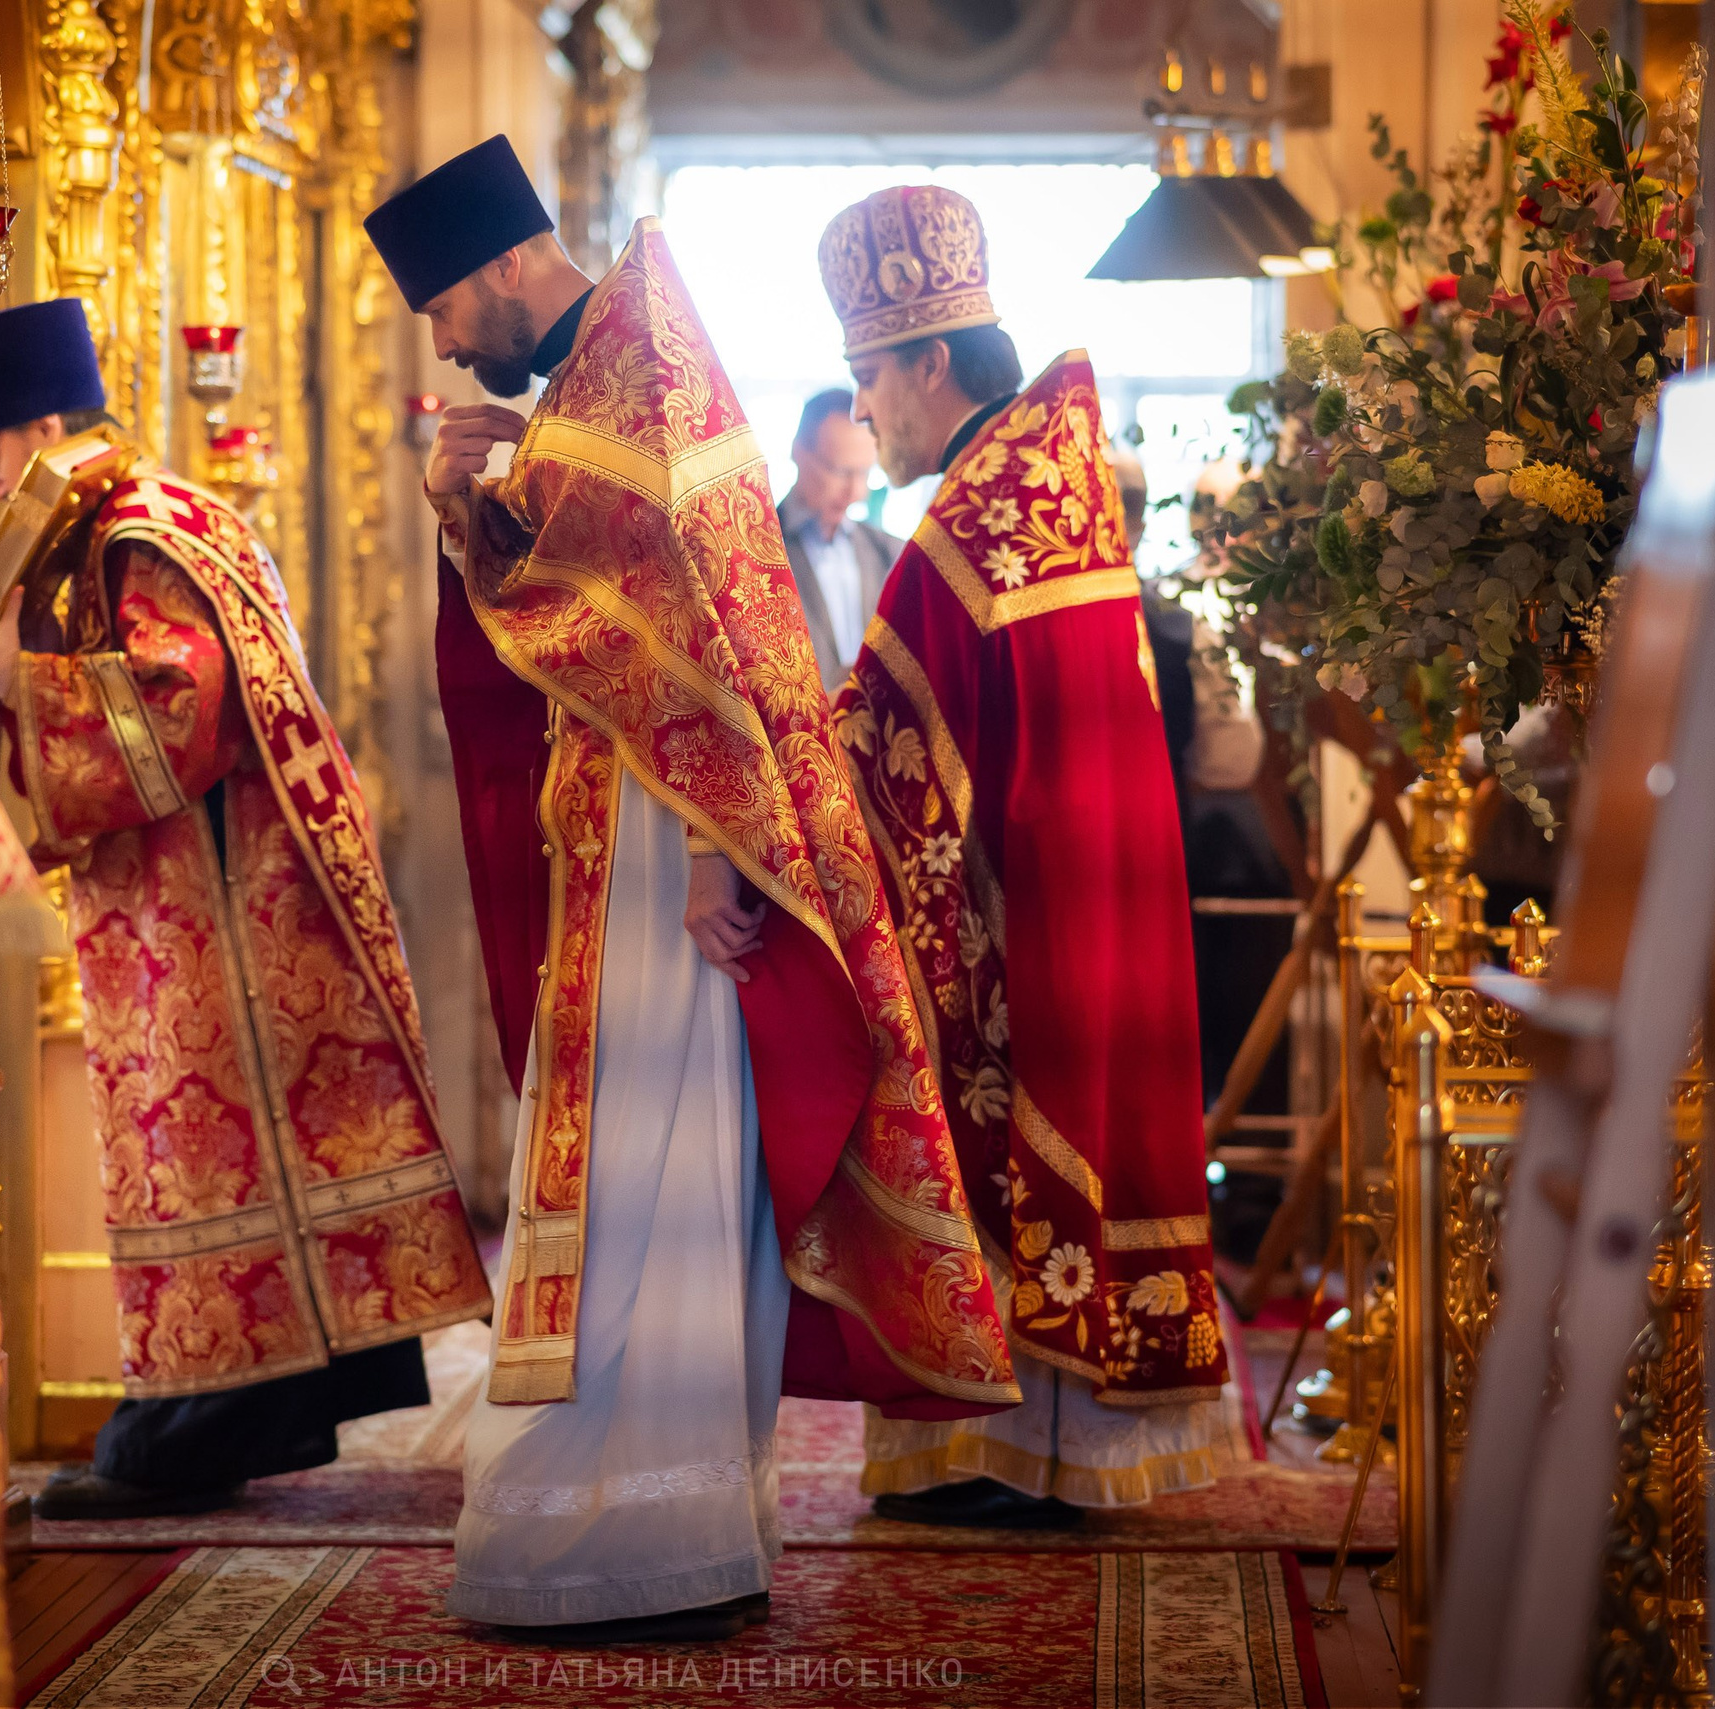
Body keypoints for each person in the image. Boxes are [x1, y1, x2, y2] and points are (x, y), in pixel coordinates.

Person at [364, 137, 1015, 1641]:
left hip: (678, 850)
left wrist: (728, 847)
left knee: (658, 1162)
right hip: (639, 830)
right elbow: (587, 608)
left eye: (449, 306)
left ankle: (631, 1518)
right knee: (631, 1162)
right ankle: (648, 1513)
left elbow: (706, 624)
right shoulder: (603, 369)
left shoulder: (637, 370)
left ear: (512, 262)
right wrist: (474, 511)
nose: (448, 341)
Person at [0, 298, 491, 1521]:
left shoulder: (138, 531)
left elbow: (177, 713)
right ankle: (206, 1421)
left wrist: (1, 675)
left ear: (32, 426)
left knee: (204, 1160)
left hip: (218, 908)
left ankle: (186, 1436)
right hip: (210, 894)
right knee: (211, 1161)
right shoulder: (152, 511)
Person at [819, 188, 1233, 1527]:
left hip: (1025, 901)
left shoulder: (974, 520)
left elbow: (879, 734)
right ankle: (1044, 1446)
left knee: (1002, 1119)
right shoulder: (1044, 475)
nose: (866, 410)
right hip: (1090, 884)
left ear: (930, 361)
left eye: (869, 378)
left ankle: (1008, 1451)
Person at [778, 390, 901, 693]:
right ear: (798, 452)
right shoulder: (756, 553)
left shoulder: (890, 551)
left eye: (865, 473)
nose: (856, 492)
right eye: (841, 471)